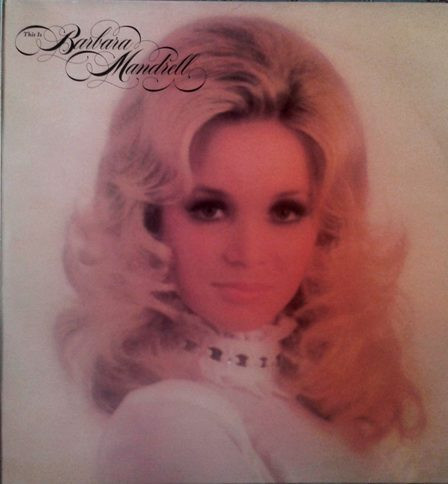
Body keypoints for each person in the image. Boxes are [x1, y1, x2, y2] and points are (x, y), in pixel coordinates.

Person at [56, 16, 425, 482]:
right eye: (209, 209)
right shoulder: (170, 422)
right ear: (150, 219)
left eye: (285, 212)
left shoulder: (310, 405)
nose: (249, 254)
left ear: (324, 228)